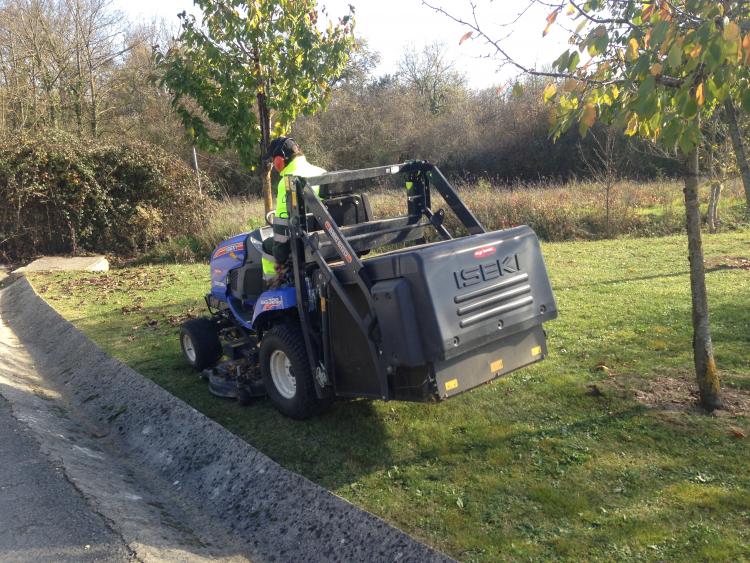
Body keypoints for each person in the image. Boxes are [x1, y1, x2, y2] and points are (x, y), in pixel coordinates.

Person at [261, 137, 326, 284]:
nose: (273, 164)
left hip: (302, 244)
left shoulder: (288, 182)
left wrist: (279, 254)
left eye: (273, 160)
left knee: (266, 246)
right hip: (324, 238)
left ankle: (274, 287)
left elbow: (282, 229)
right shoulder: (321, 172)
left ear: (280, 159)